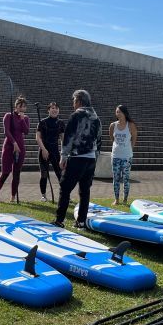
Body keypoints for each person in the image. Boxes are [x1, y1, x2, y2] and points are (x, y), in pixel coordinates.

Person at [52, 89, 101, 229]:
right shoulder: (96, 117)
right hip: (91, 158)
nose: (73, 104)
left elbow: (68, 138)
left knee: (65, 188)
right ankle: (81, 222)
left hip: (77, 157)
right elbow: (99, 138)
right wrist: (95, 157)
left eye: (74, 101)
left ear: (79, 101)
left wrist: (63, 157)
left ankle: (59, 220)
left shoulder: (76, 116)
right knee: (85, 191)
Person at [0, 96, 30, 202]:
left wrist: (22, 120)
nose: (22, 109)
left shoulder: (25, 118)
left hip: (21, 147)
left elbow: (26, 131)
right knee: (5, 172)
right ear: (15, 106)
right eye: (20, 106)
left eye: (24, 107)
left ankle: (13, 197)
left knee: (16, 173)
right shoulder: (8, 116)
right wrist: (14, 143)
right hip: (9, 147)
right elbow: (7, 131)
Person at [36, 101, 65, 201]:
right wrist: (43, 149)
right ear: (48, 110)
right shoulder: (42, 122)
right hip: (43, 151)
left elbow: (63, 139)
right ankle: (43, 195)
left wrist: (63, 153)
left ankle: (64, 195)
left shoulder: (61, 123)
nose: (55, 110)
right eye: (52, 108)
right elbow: (38, 138)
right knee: (44, 174)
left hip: (55, 152)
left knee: (60, 174)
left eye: (56, 108)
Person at [110, 105, 138, 205]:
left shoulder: (131, 125)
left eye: (120, 112)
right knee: (116, 178)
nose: (118, 114)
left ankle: (125, 199)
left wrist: (131, 147)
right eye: (117, 112)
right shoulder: (113, 125)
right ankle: (116, 199)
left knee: (126, 179)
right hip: (115, 156)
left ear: (124, 113)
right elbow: (112, 138)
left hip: (127, 157)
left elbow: (134, 137)